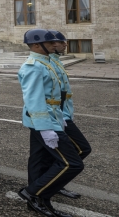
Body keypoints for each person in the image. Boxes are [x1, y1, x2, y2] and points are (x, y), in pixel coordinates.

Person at [17, 29, 84, 217]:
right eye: (51, 42)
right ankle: (32, 193)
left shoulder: (46, 63)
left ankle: (40, 196)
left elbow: (54, 96)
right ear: (37, 45)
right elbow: (34, 100)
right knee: (72, 163)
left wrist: (61, 116)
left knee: (40, 158)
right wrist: (46, 128)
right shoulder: (33, 66)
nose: (56, 45)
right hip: (43, 121)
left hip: (53, 117)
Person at [49, 30, 90, 200]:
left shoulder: (56, 61)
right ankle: (47, 183)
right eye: (61, 42)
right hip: (55, 115)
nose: (65, 44)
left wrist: (68, 113)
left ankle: (53, 182)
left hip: (63, 113)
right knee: (81, 149)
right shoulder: (46, 63)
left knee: (47, 155)